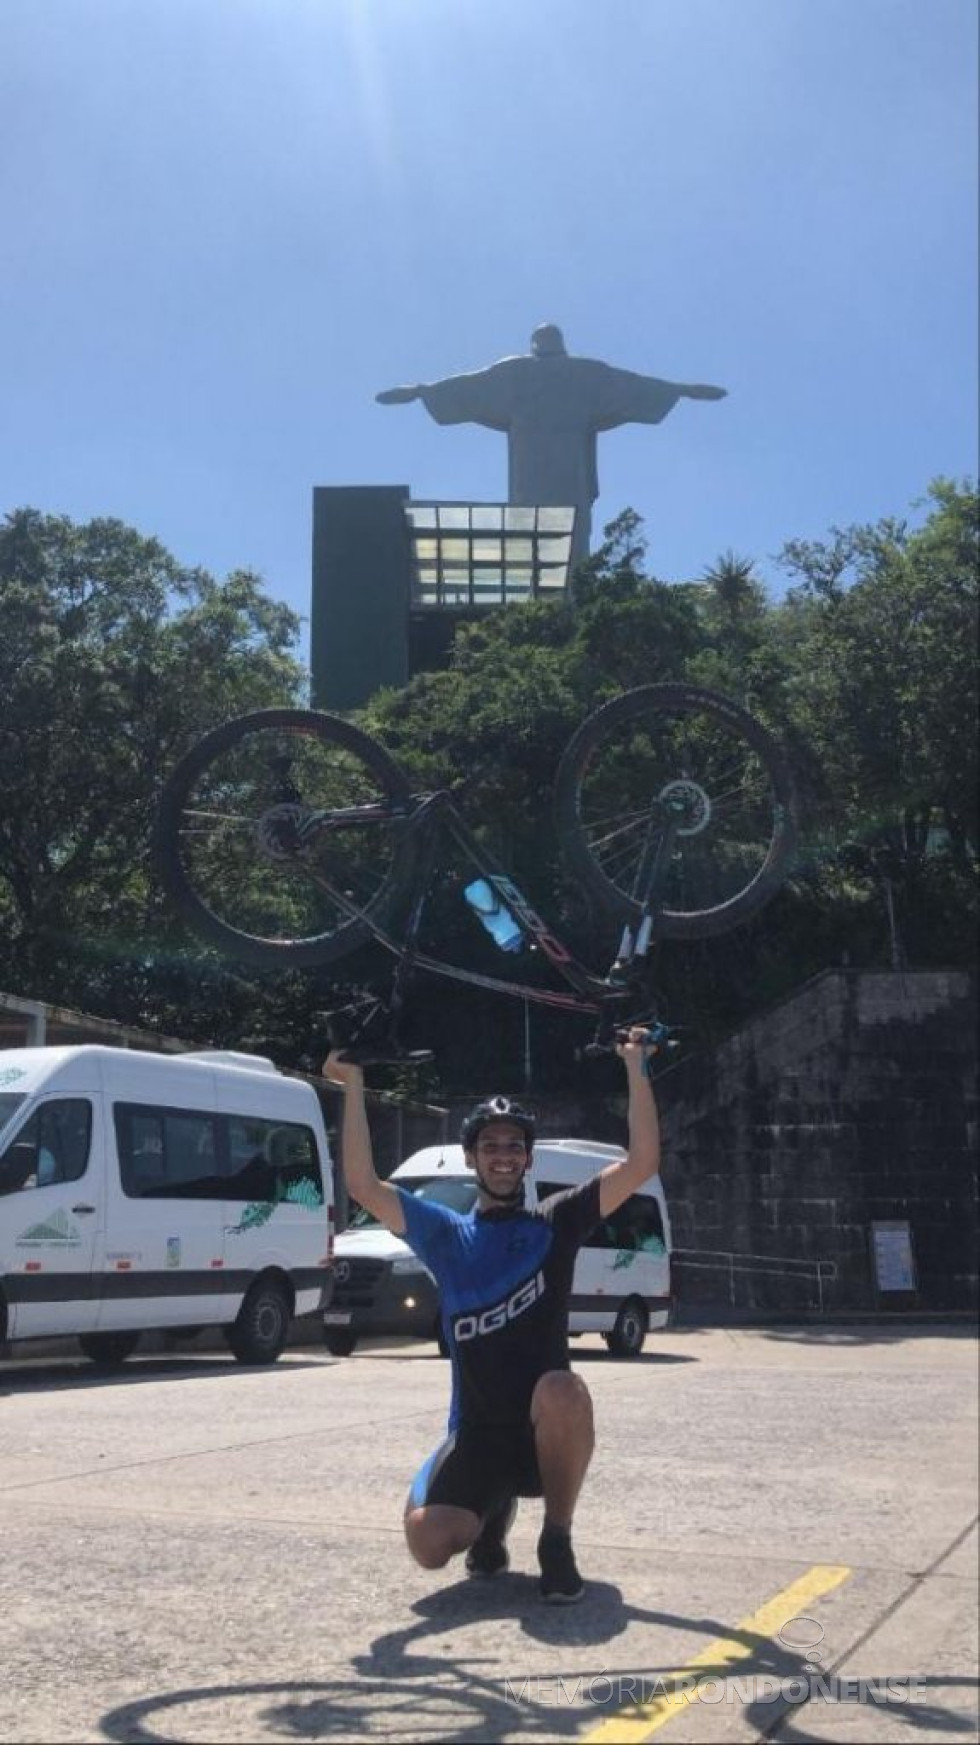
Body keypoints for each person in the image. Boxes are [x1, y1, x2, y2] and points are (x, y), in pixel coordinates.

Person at [323, 1027, 660, 1604]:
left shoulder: (555, 1223)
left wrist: (636, 1067)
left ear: (527, 1159)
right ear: (471, 1157)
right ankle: (489, 1514)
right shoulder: (445, 1233)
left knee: (562, 1387)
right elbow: (362, 1184)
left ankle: (556, 1538)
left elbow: (642, 1162)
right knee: (427, 1542)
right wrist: (353, 1086)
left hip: (541, 1437)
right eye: (491, 1146)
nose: (502, 1156)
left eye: (513, 1147)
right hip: (477, 1434)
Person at [377, 324, 726, 562]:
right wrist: (681, 390)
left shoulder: (519, 373)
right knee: (548, 537)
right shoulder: (581, 374)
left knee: (547, 536)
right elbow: (632, 386)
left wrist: (421, 390)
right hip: (555, 475)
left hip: (542, 475)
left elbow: (468, 388)